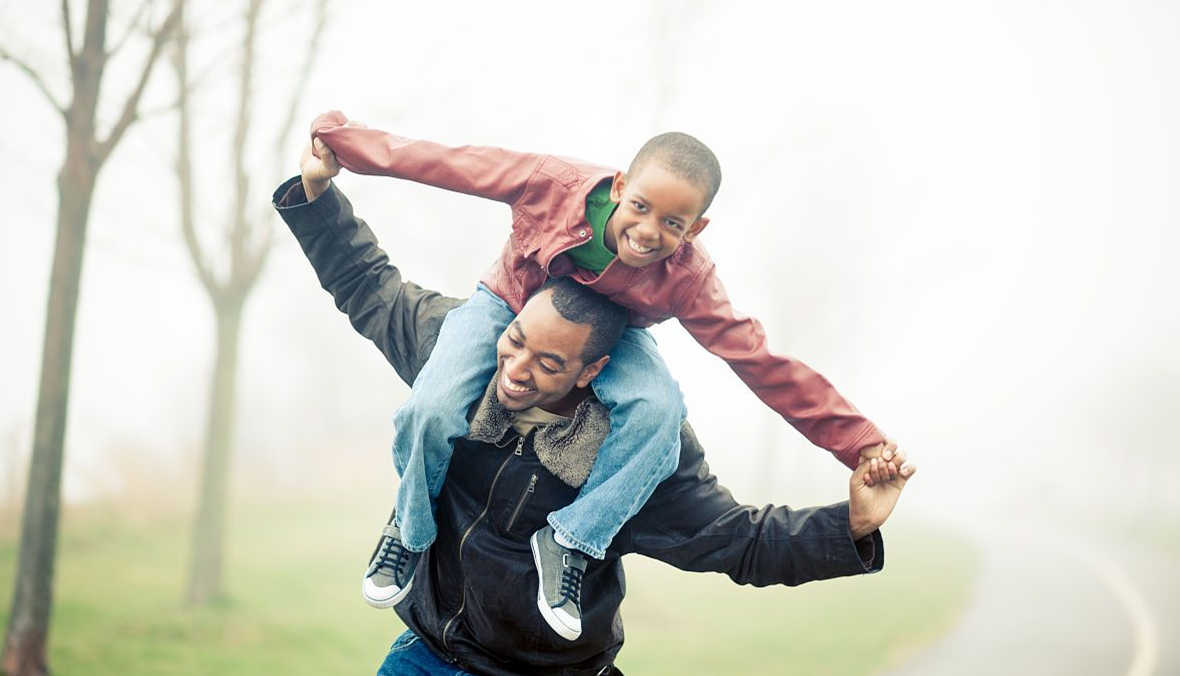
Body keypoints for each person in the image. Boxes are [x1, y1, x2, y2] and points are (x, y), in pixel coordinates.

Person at [272, 146, 915, 676]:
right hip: (432, 657)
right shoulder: (463, 357)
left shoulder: (640, 445)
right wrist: (316, 195)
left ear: (593, 373)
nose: (515, 374)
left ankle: (569, 547)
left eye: (548, 366)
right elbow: (369, 285)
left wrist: (850, 525)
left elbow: (735, 539)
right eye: (515, 343)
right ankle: (401, 535)